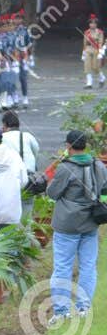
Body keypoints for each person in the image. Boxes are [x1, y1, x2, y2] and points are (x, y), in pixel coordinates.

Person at [44, 129, 107, 324]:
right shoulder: (98, 165)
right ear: (85, 145)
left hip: (67, 224)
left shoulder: (66, 167)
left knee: (63, 266)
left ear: (68, 145)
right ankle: (83, 307)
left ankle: (62, 310)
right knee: (88, 265)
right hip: (91, 222)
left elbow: (52, 193)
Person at [0, 110, 39, 181]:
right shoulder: (28, 136)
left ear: (4, 124)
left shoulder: (1, 137)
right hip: (29, 173)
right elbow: (36, 151)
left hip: (11, 175)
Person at [85, 16, 105, 88]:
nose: (92, 25)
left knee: (95, 67)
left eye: (94, 23)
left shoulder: (100, 32)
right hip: (88, 49)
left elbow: (100, 42)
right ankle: (89, 83)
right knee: (87, 66)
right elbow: (84, 43)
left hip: (96, 50)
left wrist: (100, 51)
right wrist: (83, 52)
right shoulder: (86, 32)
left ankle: (102, 78)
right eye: (91, 23)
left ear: (96, 24)